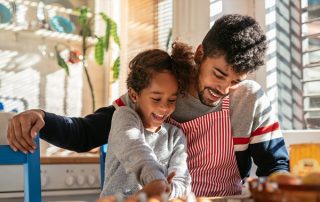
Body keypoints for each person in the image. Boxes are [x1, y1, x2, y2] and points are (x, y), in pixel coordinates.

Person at [7, 14, 289, 197]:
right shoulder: (159, 93)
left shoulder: (250, 99)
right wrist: (41, 116)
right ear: (201, 54)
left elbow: (275, 165)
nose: (223, 90)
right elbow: (85, 133)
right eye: (218, 74)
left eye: (235, 81)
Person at [100, 44, 193, 199]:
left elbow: (182, 180)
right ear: (134, 95)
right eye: (156, 98)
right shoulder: (123, 117)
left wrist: (168, 189)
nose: (164, 107)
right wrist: (156, 180)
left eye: (172, 100)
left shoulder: (175, 136)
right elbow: (137, 151)